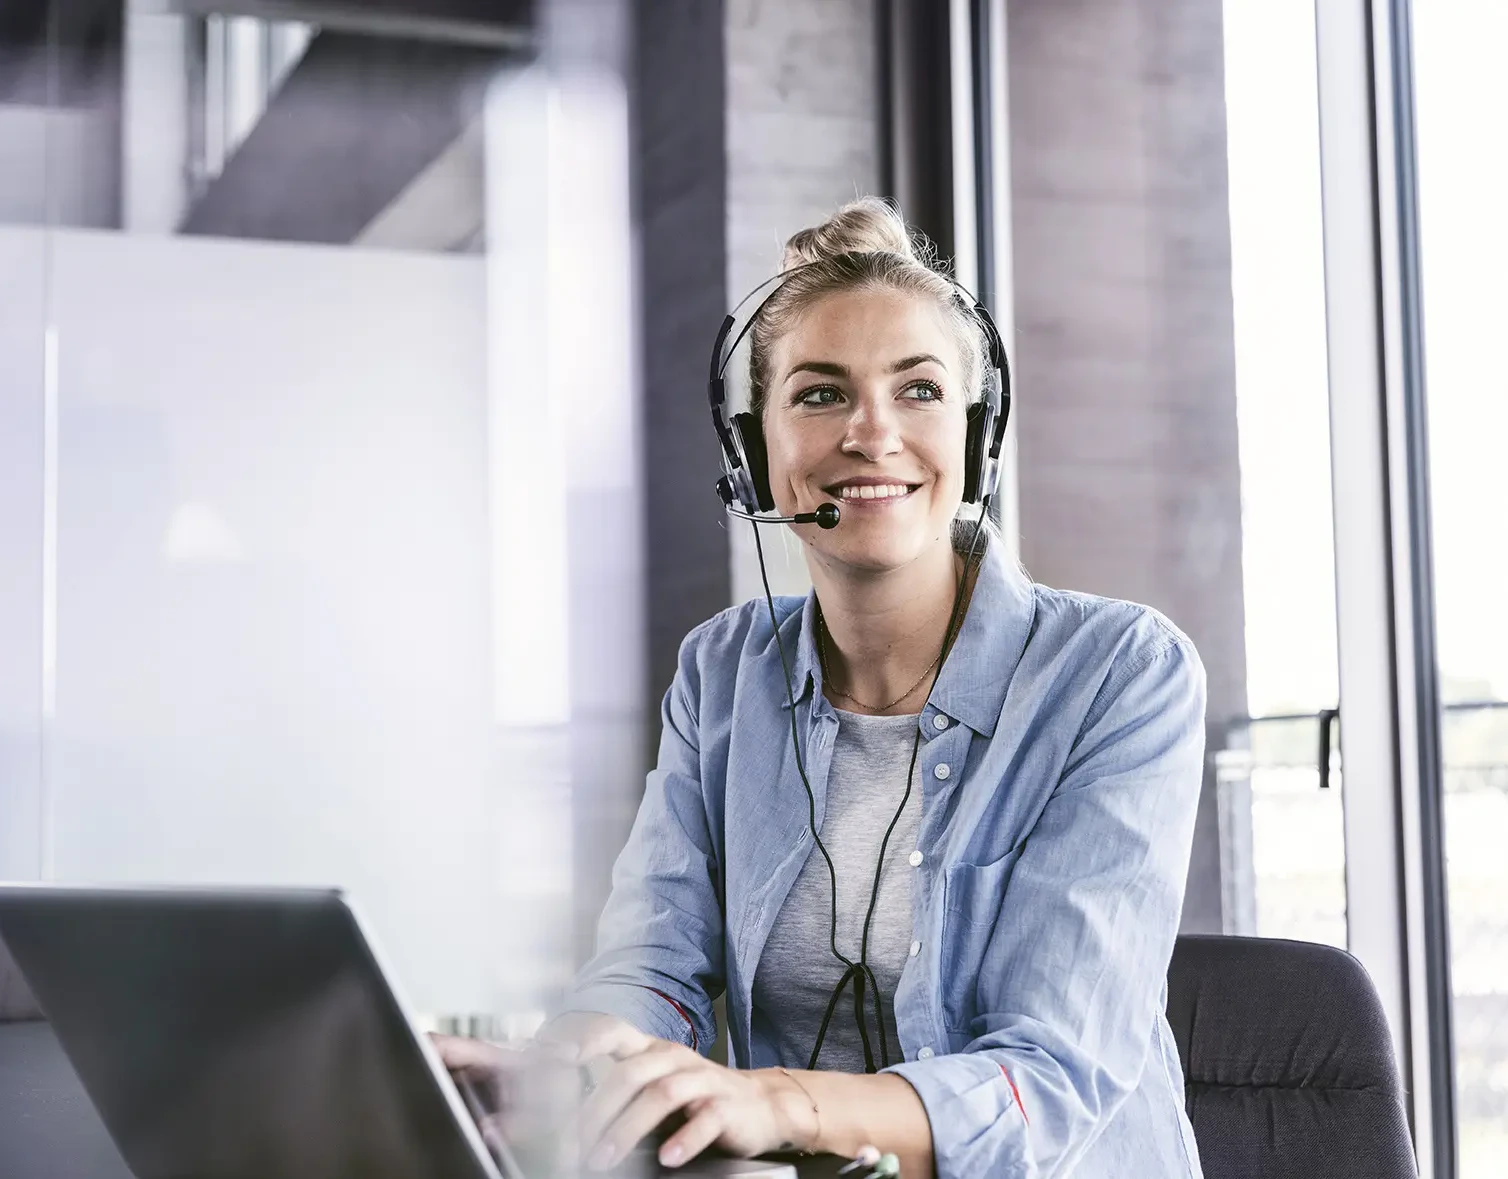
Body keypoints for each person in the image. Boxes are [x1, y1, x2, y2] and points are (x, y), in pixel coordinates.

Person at [440, 198, 1206, 1178]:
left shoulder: (1117, 673)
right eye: (817, 395)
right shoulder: (723, 673)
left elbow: (1045, 1078)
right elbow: (653, 963)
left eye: (918, 390)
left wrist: (773, 1100)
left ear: (976, 435)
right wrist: (559, 1069)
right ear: (752, 452)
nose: (870, 434)